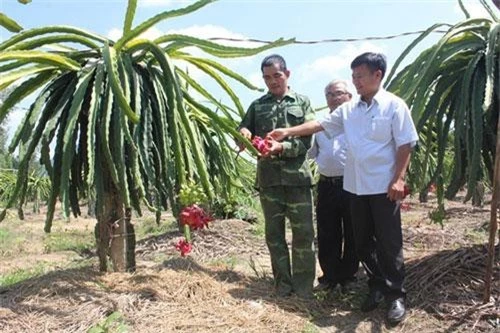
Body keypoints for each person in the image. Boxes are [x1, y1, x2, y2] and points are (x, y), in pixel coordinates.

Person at [269, 52, 418, 324]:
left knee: (389, 242)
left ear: (377, 75)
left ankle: (396, 295)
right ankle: (375, 287)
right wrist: (288, 132)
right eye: (353, 77)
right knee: (362, 243)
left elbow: (406, 143)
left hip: (384, 187)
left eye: (360, 76)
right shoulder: (348, 111)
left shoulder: (394, 106)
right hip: (355, 188)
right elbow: (320, 124)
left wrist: (399, 179)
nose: (356, 82)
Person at [237, 54, 316, 298]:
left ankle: (304, 288)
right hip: (269, 180)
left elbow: (308, 140)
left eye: (276, 76)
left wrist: (282, 147)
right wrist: (243, 134)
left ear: (287, 74)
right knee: (274, 236)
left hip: (297, 180)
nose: (272, 81)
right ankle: (283, 285)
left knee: (303, 234)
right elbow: (244, 128)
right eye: (267, 77)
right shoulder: (258, 105)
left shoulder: (302, 103)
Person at [308, 80, 358, 292]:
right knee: (327, 231)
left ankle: (348, 277)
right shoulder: (319, 126)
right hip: (327, 184)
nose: (334, 98)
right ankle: (329, 276)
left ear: (349, 96)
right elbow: (311, 153)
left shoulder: (358, 123)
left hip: (352, 184)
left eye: (338, 93)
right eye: (329, 94)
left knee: (353, 231)